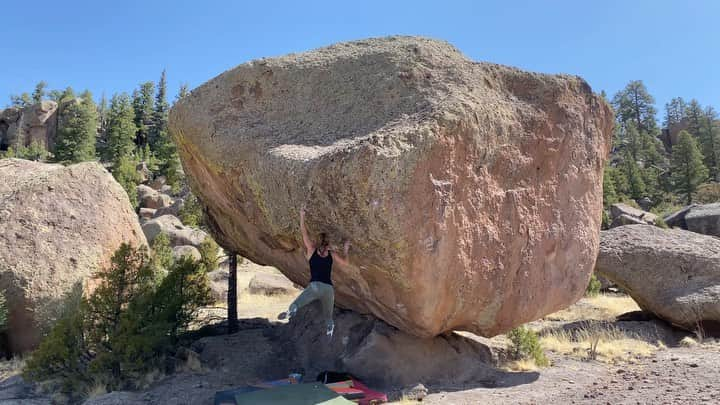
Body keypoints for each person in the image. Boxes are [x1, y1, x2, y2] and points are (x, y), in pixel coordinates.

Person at [278, 205, 349, 337]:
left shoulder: (311, 250)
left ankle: (291, 311)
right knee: (328, 313)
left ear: (317, 242)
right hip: (328, 288)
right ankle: (329, 327)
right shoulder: (331, 254)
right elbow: (345, 263)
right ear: (328, 244)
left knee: (298, 303)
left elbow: (304, 234)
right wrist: (345, 249)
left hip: (315, 286)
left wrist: (302, 215)